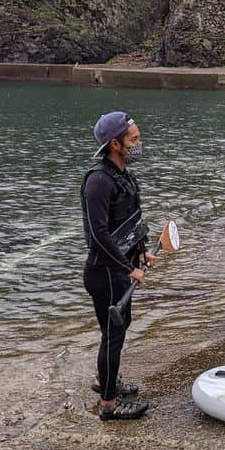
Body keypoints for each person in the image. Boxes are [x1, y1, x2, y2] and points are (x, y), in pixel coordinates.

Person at [81, 111, 155, 421]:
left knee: (118, 329)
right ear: (115, 143)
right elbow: (98, 235)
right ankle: (109, 405)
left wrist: (143, 251)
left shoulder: (124, 175)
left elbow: (128, 222)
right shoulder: (97, 181)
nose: (139, 144)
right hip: (104, 273)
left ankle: (104, 381)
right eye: (134, 139)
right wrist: (128, 268)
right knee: (113, 336)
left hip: (119, 270)